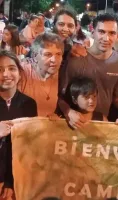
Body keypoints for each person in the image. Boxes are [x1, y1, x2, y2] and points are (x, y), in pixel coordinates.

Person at [58, 13, 118, 129]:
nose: (106, 38)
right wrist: (68, 112)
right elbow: (60, 95)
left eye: (111, 33)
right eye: (101, 32)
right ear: (93, 32)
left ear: (117, 36)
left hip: (101, 125)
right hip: (74, 125)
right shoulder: (76, 58)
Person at [0, 50, 37, 200]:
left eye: (11, 68)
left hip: (15, 180)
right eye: (0, 70)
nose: (6, 74)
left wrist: (11, 182)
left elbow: (26, 148)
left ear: (20, 72)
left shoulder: (29, 104)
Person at [20, 32, 63, 116]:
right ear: (35, 56)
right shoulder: (22, 72)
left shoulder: (61, 75)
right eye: (48, 54)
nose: (54, 60)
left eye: (58, 54)